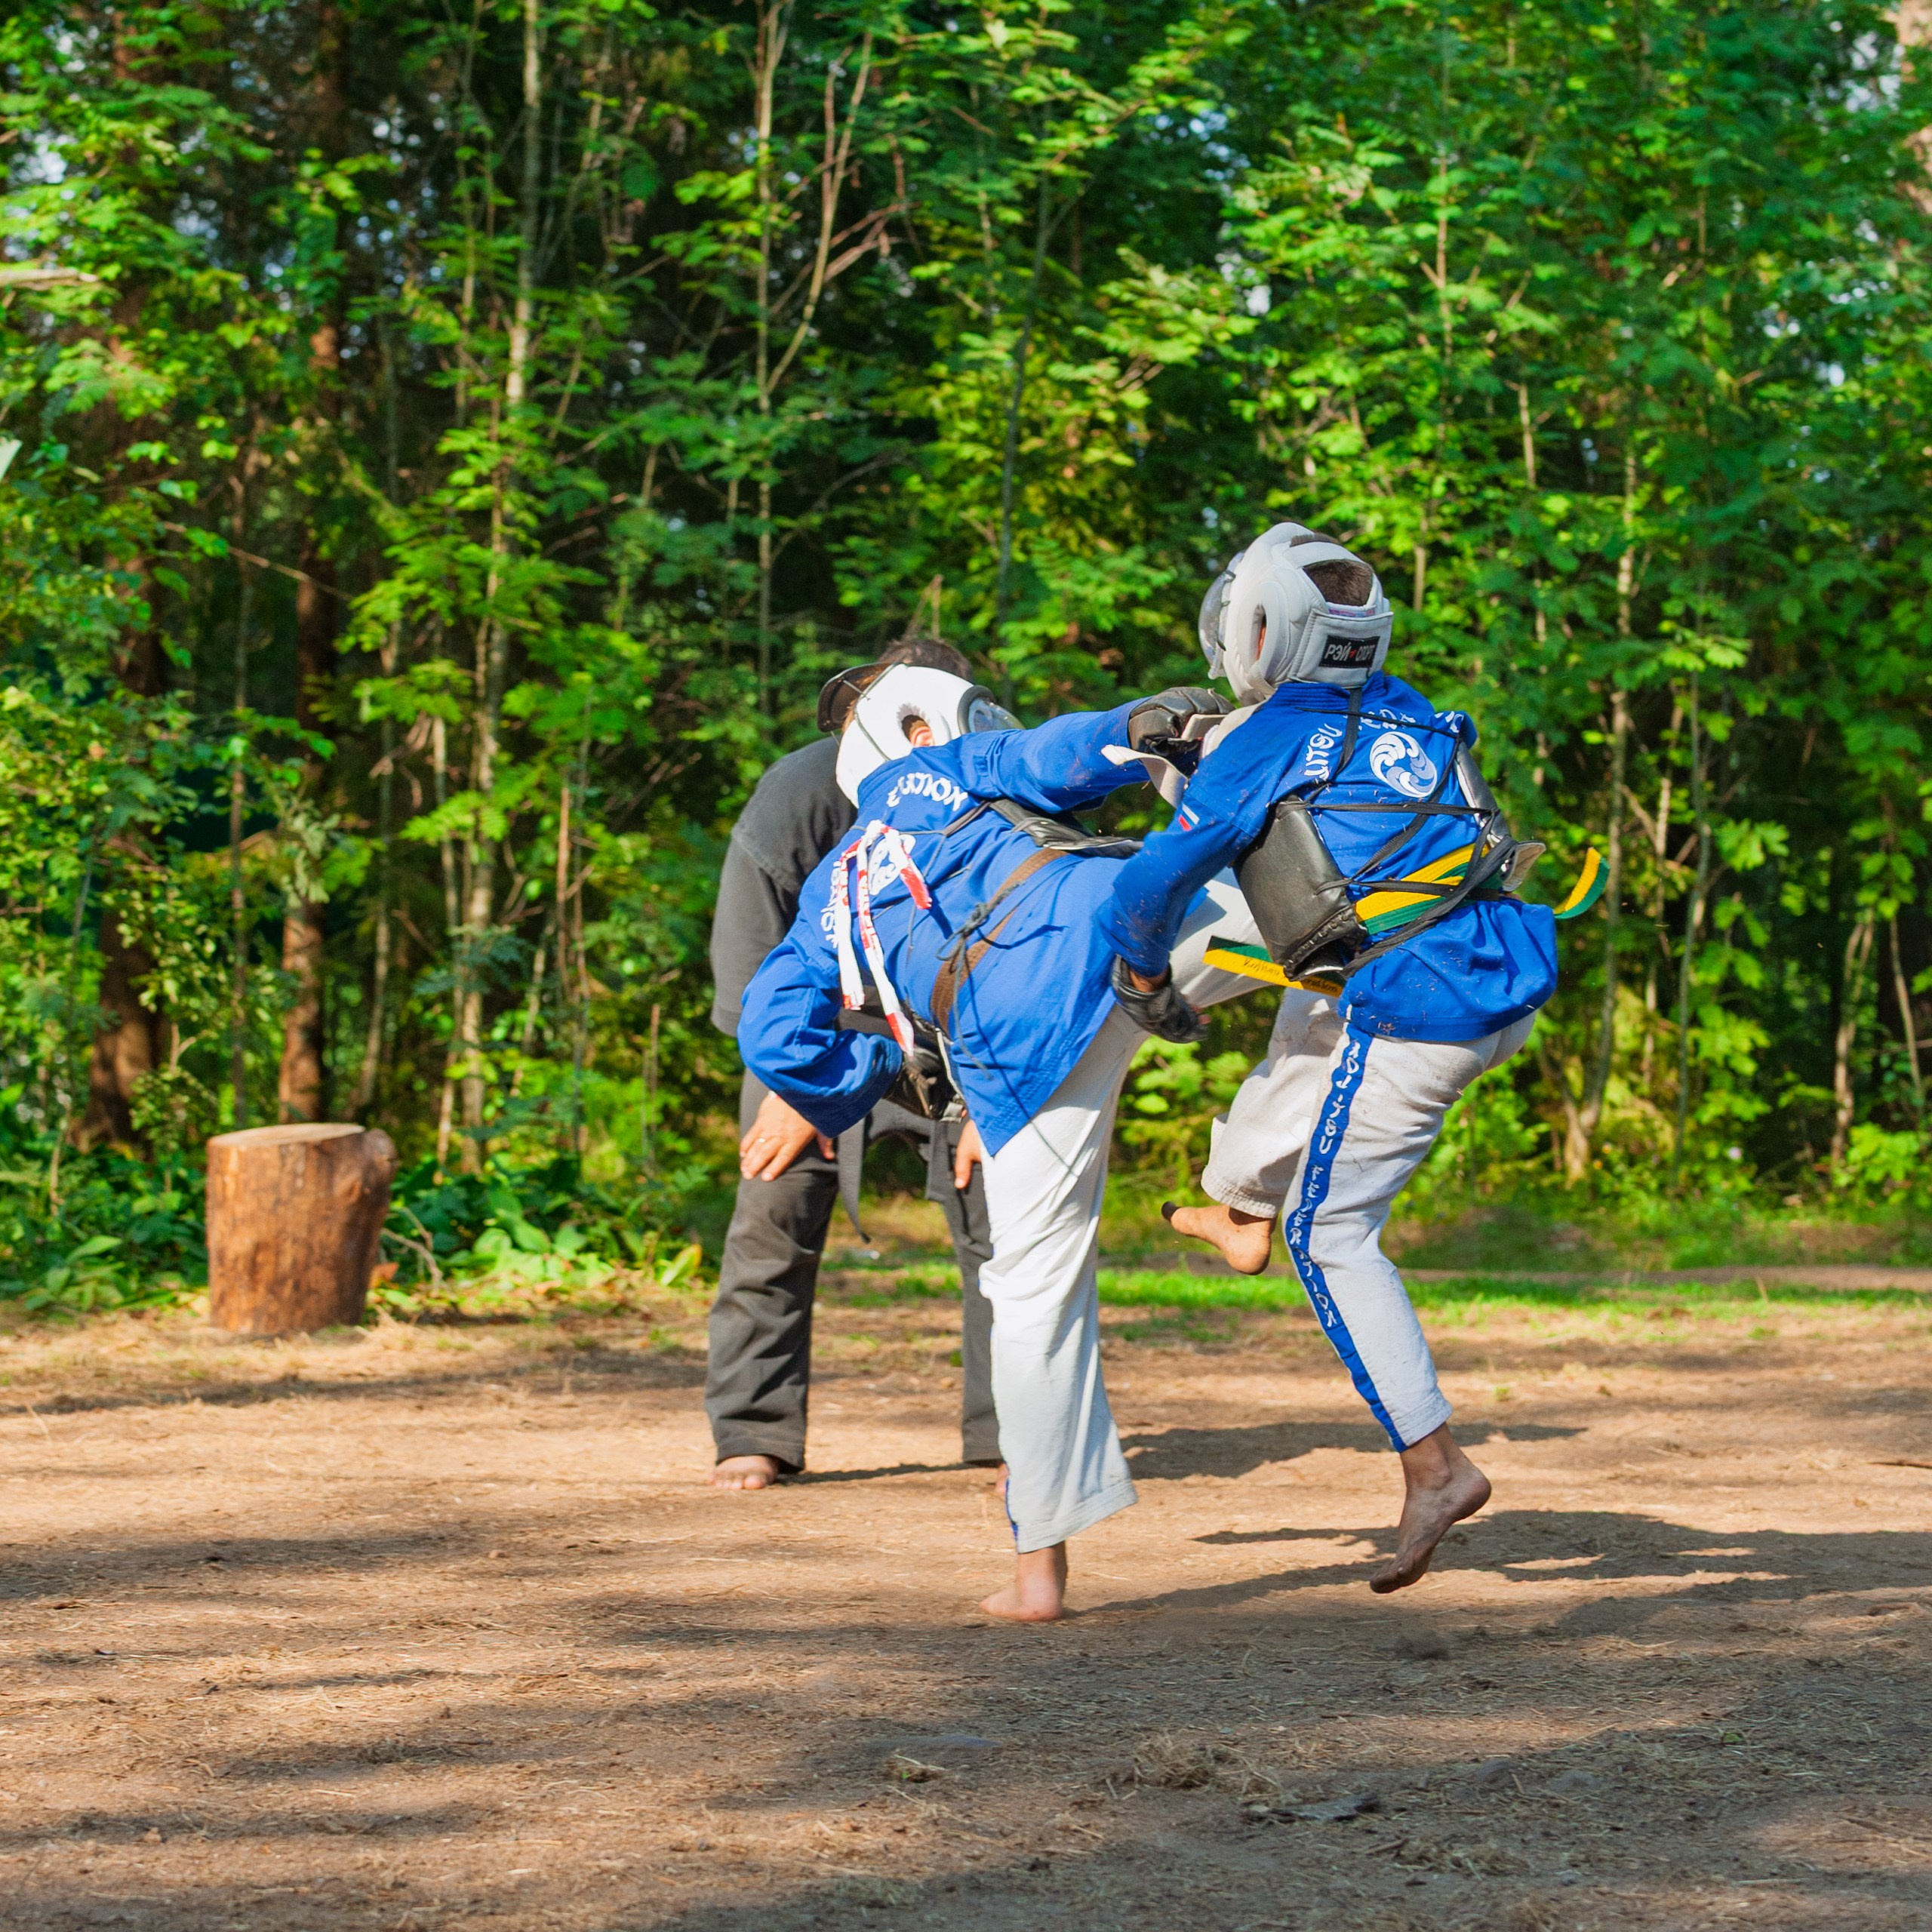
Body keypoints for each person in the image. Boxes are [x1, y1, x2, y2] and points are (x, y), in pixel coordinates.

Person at [737, 664, 1259, 1620]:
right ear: (916, 726)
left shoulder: (830, 886)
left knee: (1031, 1291)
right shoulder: (947, 767)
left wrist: (875, 1070)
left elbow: (769, 1031)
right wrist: (1145, 722)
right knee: (1322, 915)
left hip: (1007, 1049)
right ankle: (1258, 1179)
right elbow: (1057, 754)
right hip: (1111, 930)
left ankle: (1037, 1572)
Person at [1097, 522, 1561, 1595]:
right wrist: (1206, 755)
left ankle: (1436, 1467)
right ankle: (1239, 1204)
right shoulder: (1404, 707)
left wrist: (1139, 970)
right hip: (1489, 968)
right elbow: (1322, 805)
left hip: (1421, 1008)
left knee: (1335, 1232)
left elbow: (1155, 879)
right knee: (1309, 1005)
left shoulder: (1271, 735)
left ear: (1257, 630)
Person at [705, 635, 999, 1491]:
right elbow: (751, 963)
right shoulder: (799, 793)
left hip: (962, 1038)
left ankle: (1014, 1430)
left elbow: (1030, 955)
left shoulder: (1003, 785)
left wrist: (1001, 1095)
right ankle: (753, 1429)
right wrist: (802, 1083)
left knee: (1007, 1224)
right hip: (819, 1032)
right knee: (772, 1208)